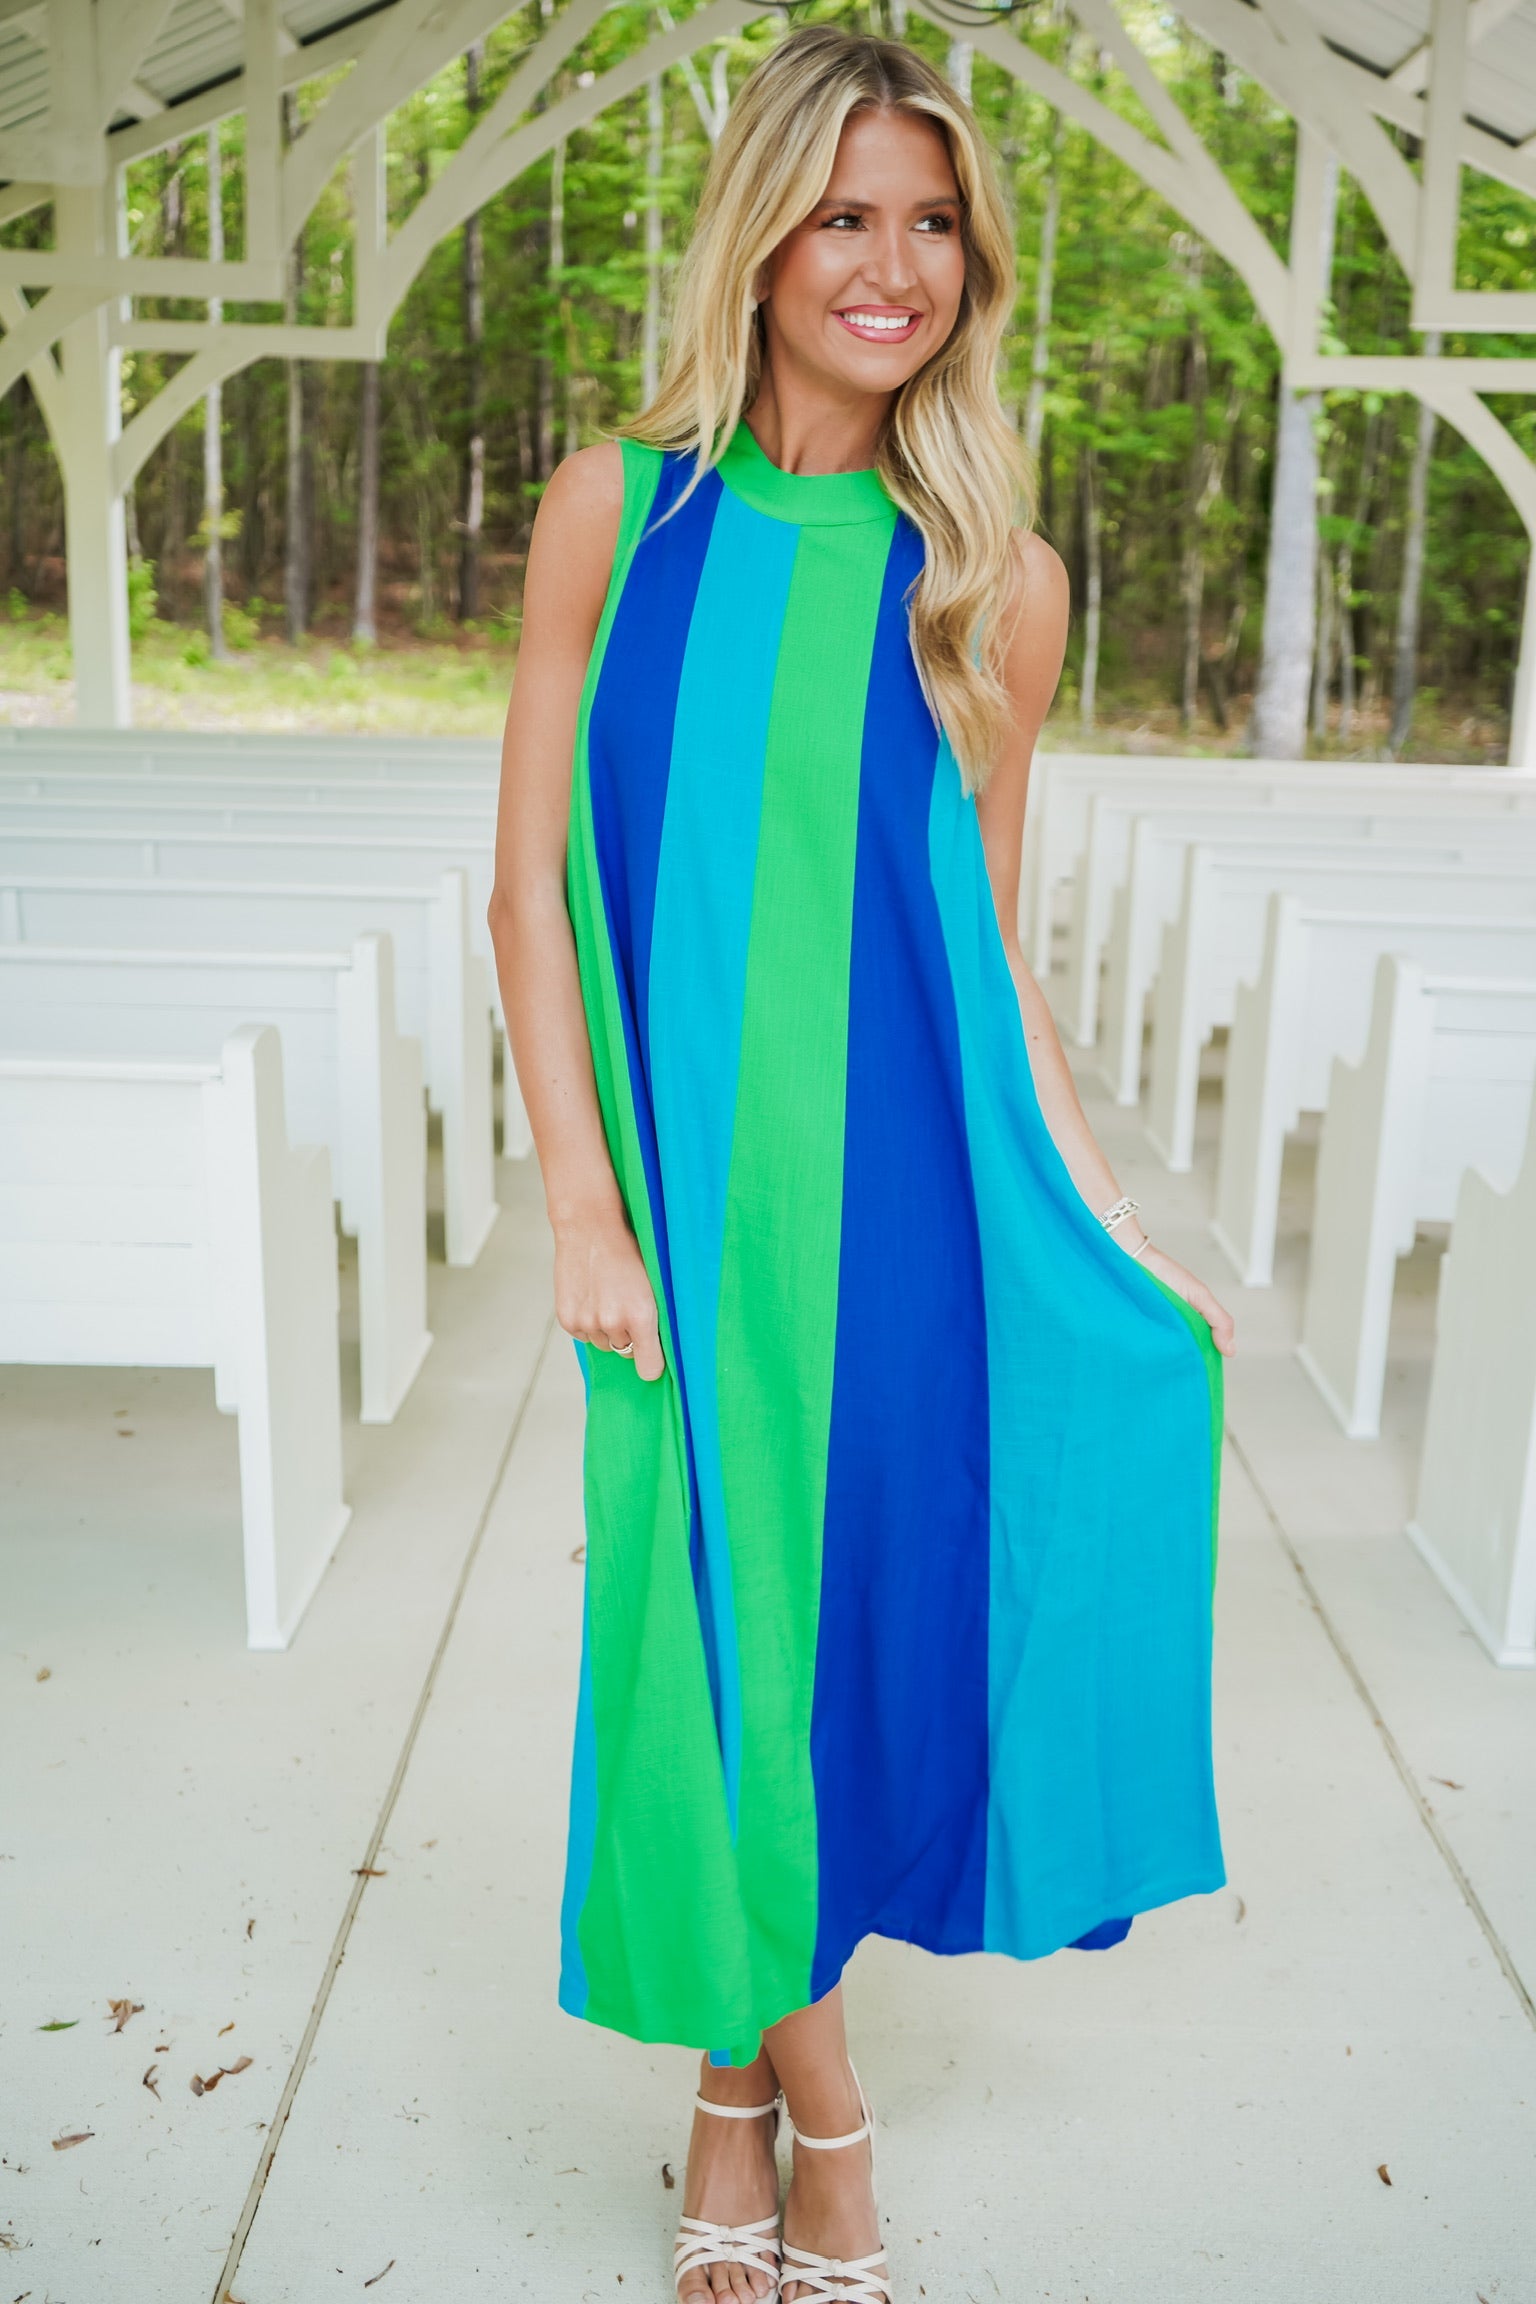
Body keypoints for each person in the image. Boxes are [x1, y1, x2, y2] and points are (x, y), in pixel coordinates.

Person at [488, 25, 1236, 2302]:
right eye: (844, 215)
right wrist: (583, 1203)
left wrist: (1091, 1209)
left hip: (905, 1223)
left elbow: (983, 949)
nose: (891, 265)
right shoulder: (617, 510)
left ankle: (738, 2100)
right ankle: (823, 2127)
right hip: (678, 1225)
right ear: (761, 236)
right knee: (702, 1641)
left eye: (930, 224)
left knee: (818, 1654)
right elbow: (526, 892)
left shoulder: (993, 583)